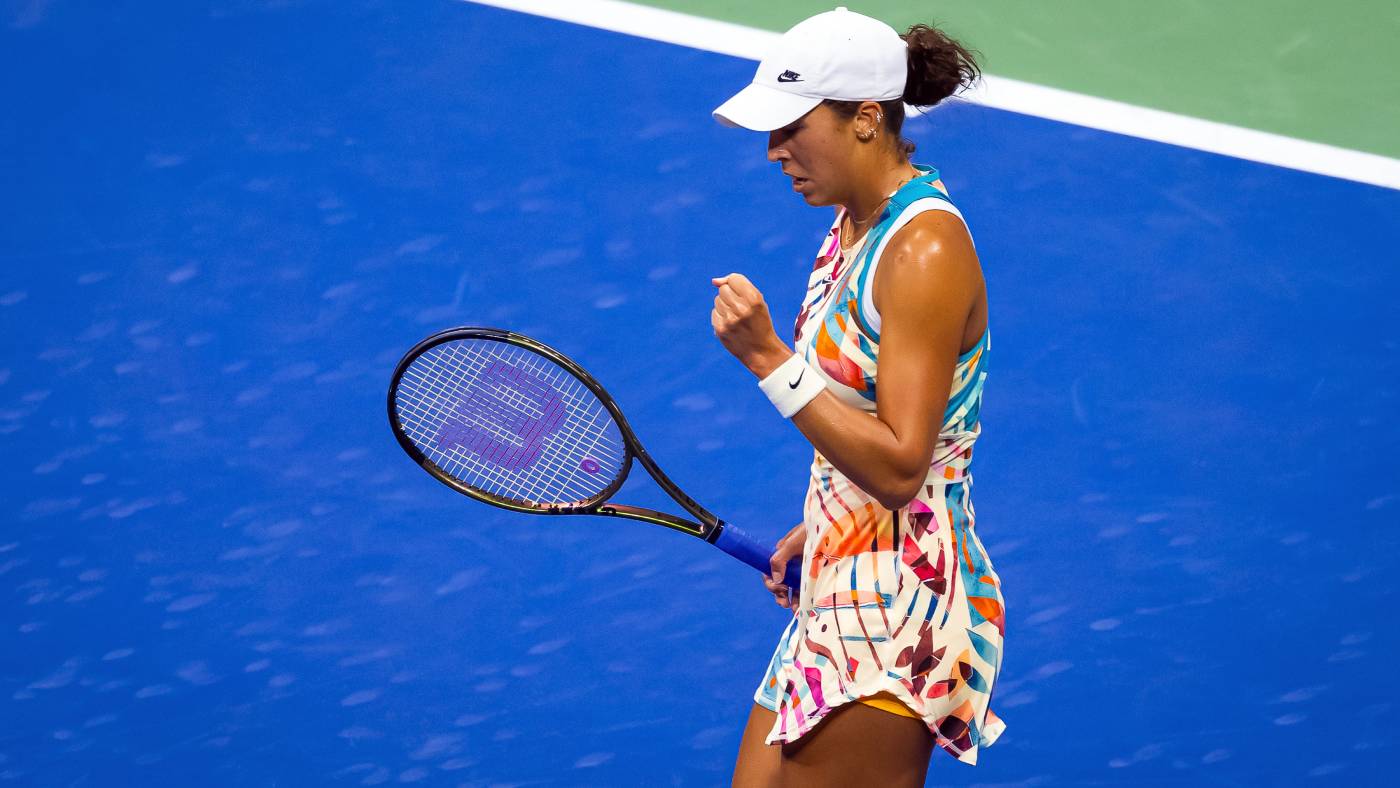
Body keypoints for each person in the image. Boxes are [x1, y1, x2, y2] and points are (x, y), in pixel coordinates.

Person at [707, 7, 1007, 786]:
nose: (774, 151)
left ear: (866, 119)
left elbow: (903, 467)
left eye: (792, 129)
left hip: (899, 600)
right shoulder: (852, 225)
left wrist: (769, 359)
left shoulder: (924, 249)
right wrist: (826, 521)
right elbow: (867, 411)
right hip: (845, 569)